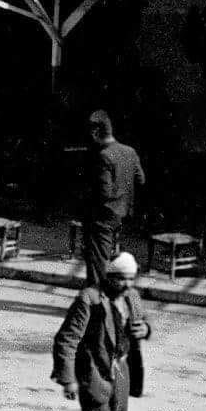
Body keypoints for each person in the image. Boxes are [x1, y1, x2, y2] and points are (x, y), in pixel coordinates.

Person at [52, 250, 151, 411]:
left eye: (132, 279)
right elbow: (67, 339)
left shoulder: (131, 297)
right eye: (122, 279)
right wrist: (68, 379)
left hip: (121, 369)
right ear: (109, 277)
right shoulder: (90, 299)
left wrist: (145, 329)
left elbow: (142, 323)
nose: (128, 285)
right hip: (93, 374)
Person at [79, 110, 146, 288]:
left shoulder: (104, 156)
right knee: (111, 258)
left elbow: (104, 192)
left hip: (102, 218)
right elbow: (141, 179)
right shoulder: (130, 151)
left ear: (95, 132)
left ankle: (97, 302)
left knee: (97, 261)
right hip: (122, 215)